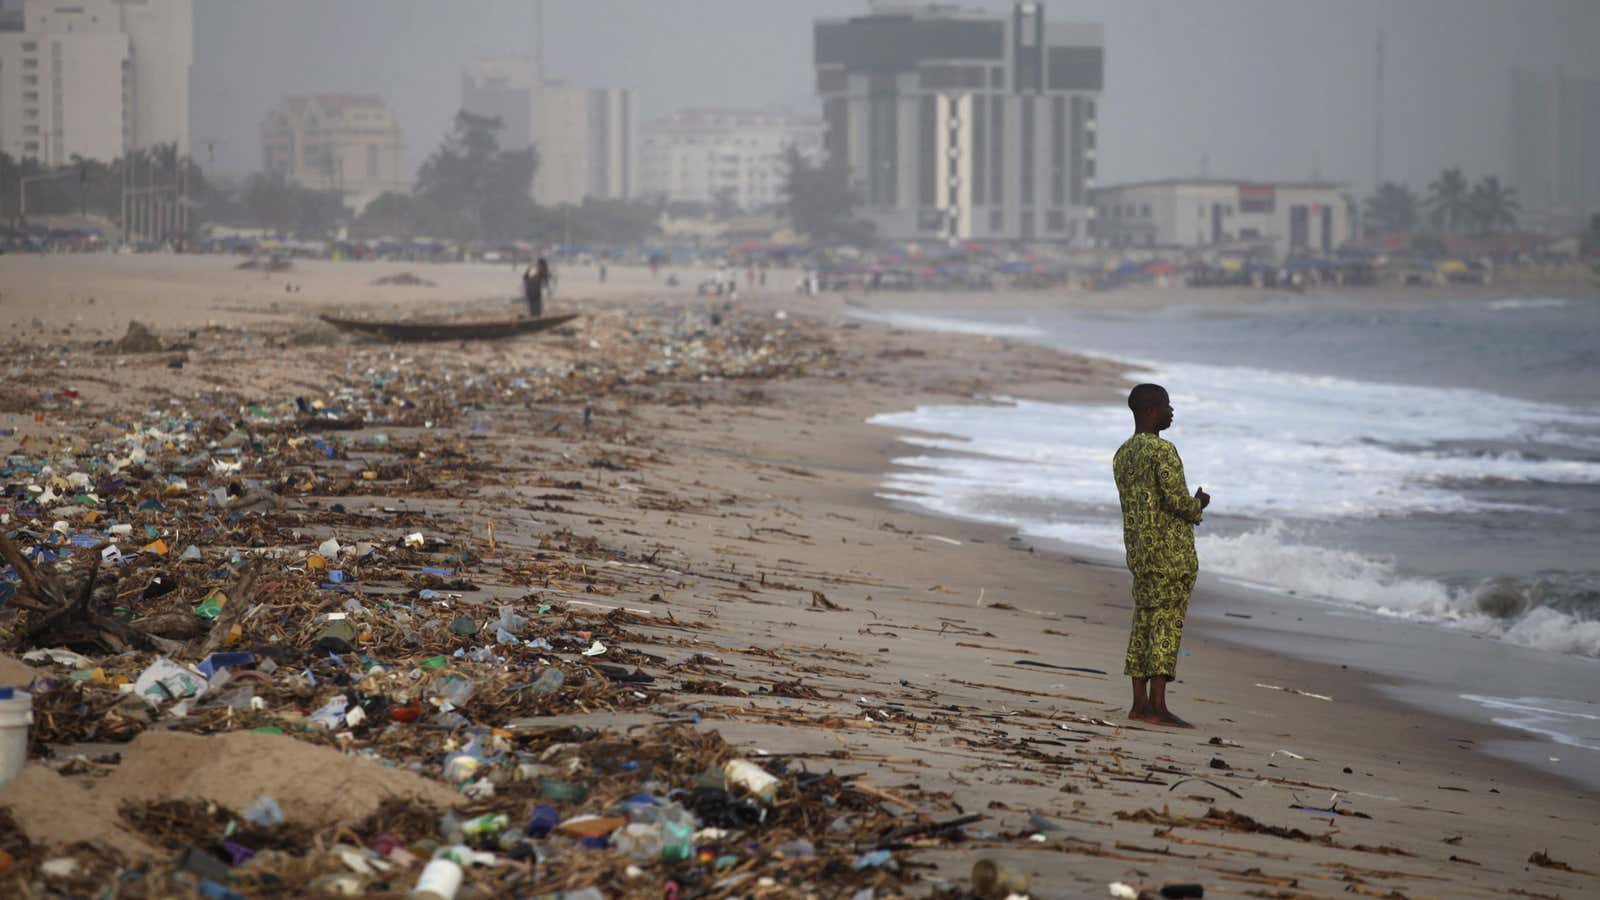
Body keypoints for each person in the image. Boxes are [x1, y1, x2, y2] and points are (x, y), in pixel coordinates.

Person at [1113, 383, 1209, 728]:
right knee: (1166, 624)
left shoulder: (1123, 454)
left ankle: (1138, 705)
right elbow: (1177, 502)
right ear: (1151, 410)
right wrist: (1199, 504)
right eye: (1168, 405)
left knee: (1143, 623)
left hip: (1139, 552)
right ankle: (1158, 707)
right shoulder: (1162, 451)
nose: (1172, 411)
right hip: (1170, 554)